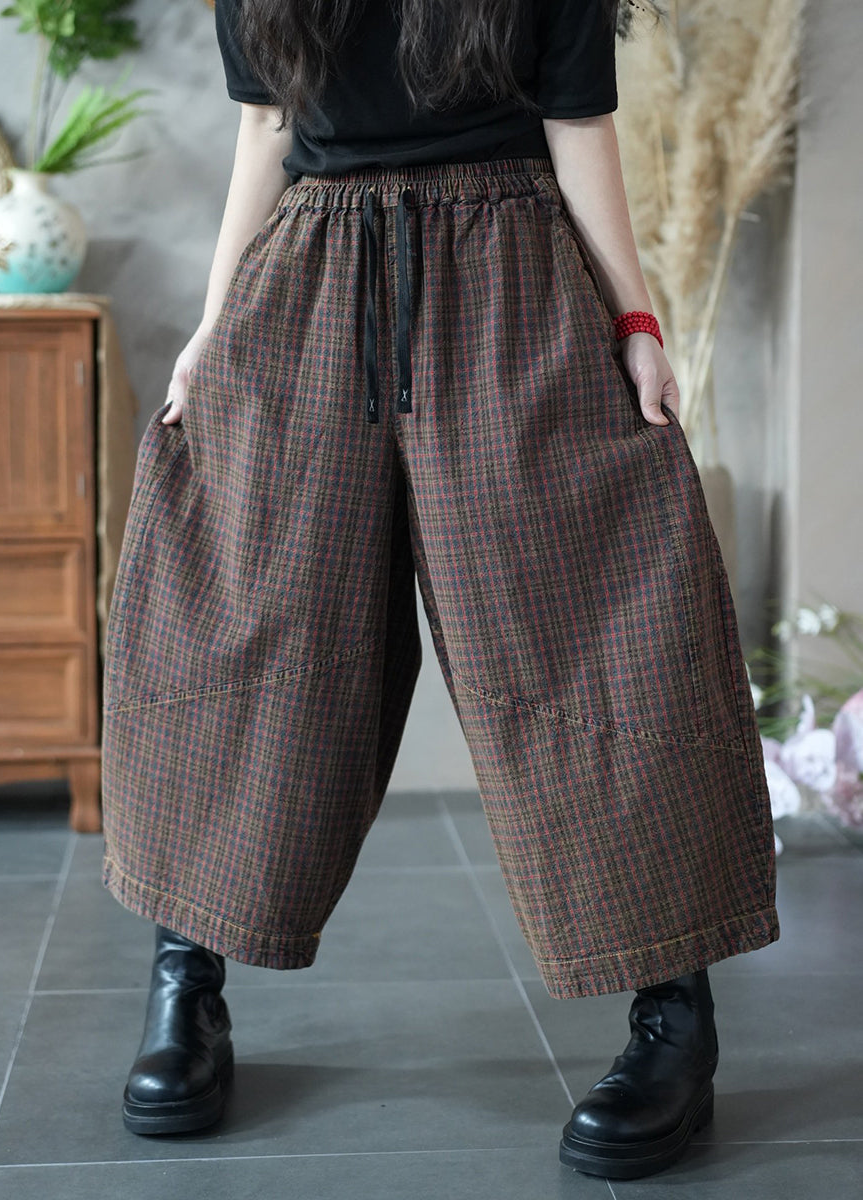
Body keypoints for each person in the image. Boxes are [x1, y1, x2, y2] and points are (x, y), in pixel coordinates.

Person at [99, 0, 780, 1180]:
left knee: (593, 631)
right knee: (244, 627)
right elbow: (266, 129)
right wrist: (213, 329)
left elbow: (578, 128)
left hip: (511, 276)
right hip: (308, 277)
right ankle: (185, 983)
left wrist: (635, 320)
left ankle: (676, 1017)